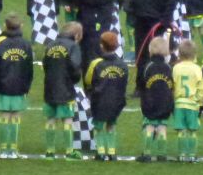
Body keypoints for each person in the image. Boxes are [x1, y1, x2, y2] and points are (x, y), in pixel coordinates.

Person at [0, 14, 33, 158]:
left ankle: (3, 150)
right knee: (15, 116)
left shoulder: (0, 44)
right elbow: (29, 68)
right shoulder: (26, 44)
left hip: (3, 85)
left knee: (4, 115)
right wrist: (27, 86)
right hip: (20, 86)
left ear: (5, 26)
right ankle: (13, 150)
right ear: (21, 26)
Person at [42, 22, 83, 160]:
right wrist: (74, 79)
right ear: (77, 35)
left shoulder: (50, 45)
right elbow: (75, 67)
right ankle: (69, 151)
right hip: (66, 88)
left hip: (50, 87)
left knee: (50, 119)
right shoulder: (73, 46)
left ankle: (49, 151)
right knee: (67, 119)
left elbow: (45, 64)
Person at [85, 31, 129, 161]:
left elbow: (88, 80)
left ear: (102, 46)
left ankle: (100, 151)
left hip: (99, 99)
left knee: (98, 126)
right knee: (111, 124)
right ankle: (112, 151)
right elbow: (125, 82)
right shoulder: (123, 64)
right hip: (117, 100)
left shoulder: (96, 63)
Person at [137, 35, 174, 163]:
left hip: (149, 102)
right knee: (162, 127)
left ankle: (146, 153)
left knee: (150, 126)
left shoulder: (147, 66)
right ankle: (162, 154)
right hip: (165, 102)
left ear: (150, 50)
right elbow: (172, 85)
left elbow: (141, 83)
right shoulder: (168, 67)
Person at [170, 39, 203, 163]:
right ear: (194, 54)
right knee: (192, 130)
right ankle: (192, 154)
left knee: (181, 130)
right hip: (192, 104)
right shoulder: (197, 69)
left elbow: (172, 85)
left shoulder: (176, 68)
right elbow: (200, 87)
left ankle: (182, 154)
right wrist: (200, 102)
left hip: (179, 103)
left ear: (179, 54)